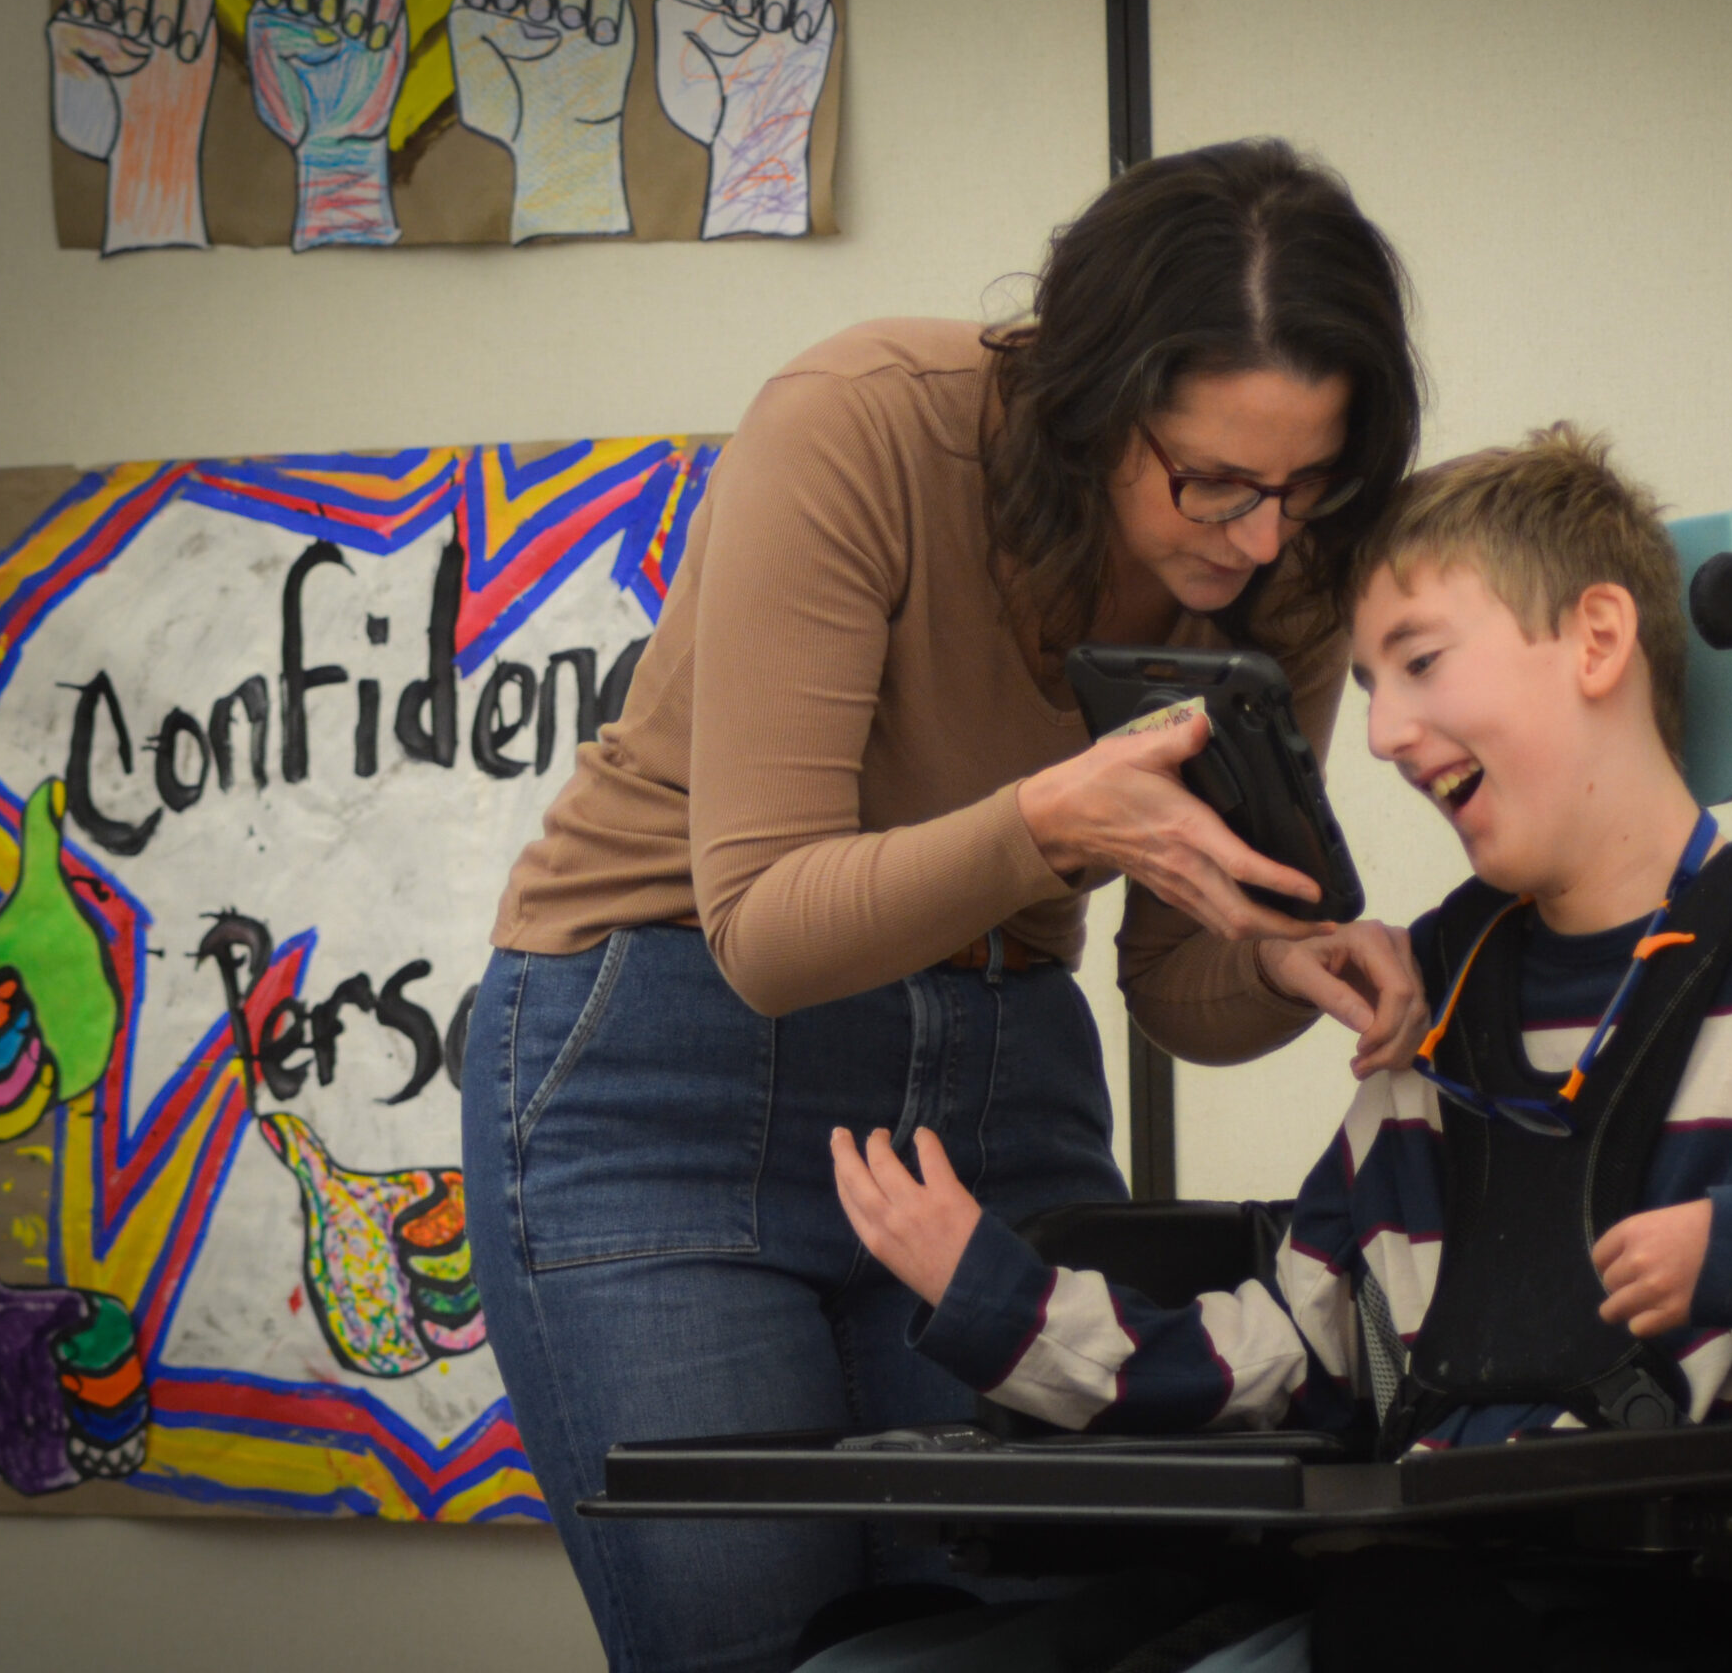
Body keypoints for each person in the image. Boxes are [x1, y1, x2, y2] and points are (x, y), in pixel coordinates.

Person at [458, 139, 1430, 1673]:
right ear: (1091, 401)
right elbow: (767, 929)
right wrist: (1051, 821)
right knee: (759, 1646)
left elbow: (1178, 990)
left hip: (997, 1081)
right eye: (1216, 481)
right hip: (670, 1071)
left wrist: (1287, 959)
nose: (1258, 541)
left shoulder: (1285, 563)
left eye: (1308, 488)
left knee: (1038, 1636)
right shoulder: (867, 428)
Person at [818, 426, 1732, 1670]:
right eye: (1372, 689)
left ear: (1595, 638)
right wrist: (995, 1296)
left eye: (1419, 663)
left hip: (1654, 1598)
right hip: (1418, 1587)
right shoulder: (1442, 987)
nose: (1379, 735)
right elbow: (1294, 1357)